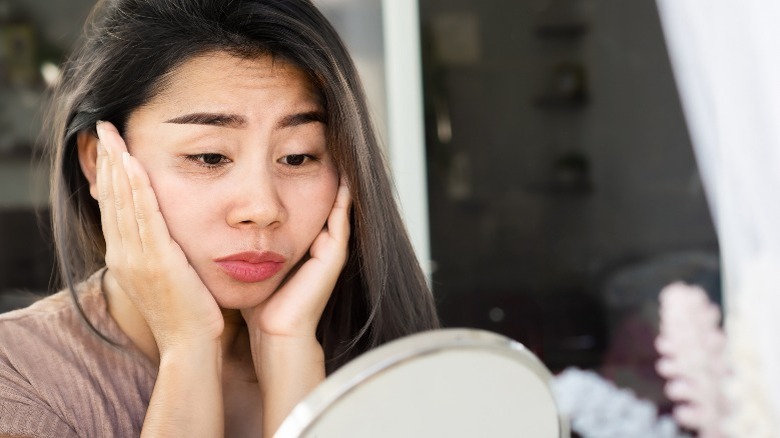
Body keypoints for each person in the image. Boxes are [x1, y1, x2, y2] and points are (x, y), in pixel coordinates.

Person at [0, 0, 439, 436]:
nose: (263, 209)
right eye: (210, 157)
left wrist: (289, 351)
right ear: (99, 161)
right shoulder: (17, 378)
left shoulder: (402, 368)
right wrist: (188, 347)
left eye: (297, 156)